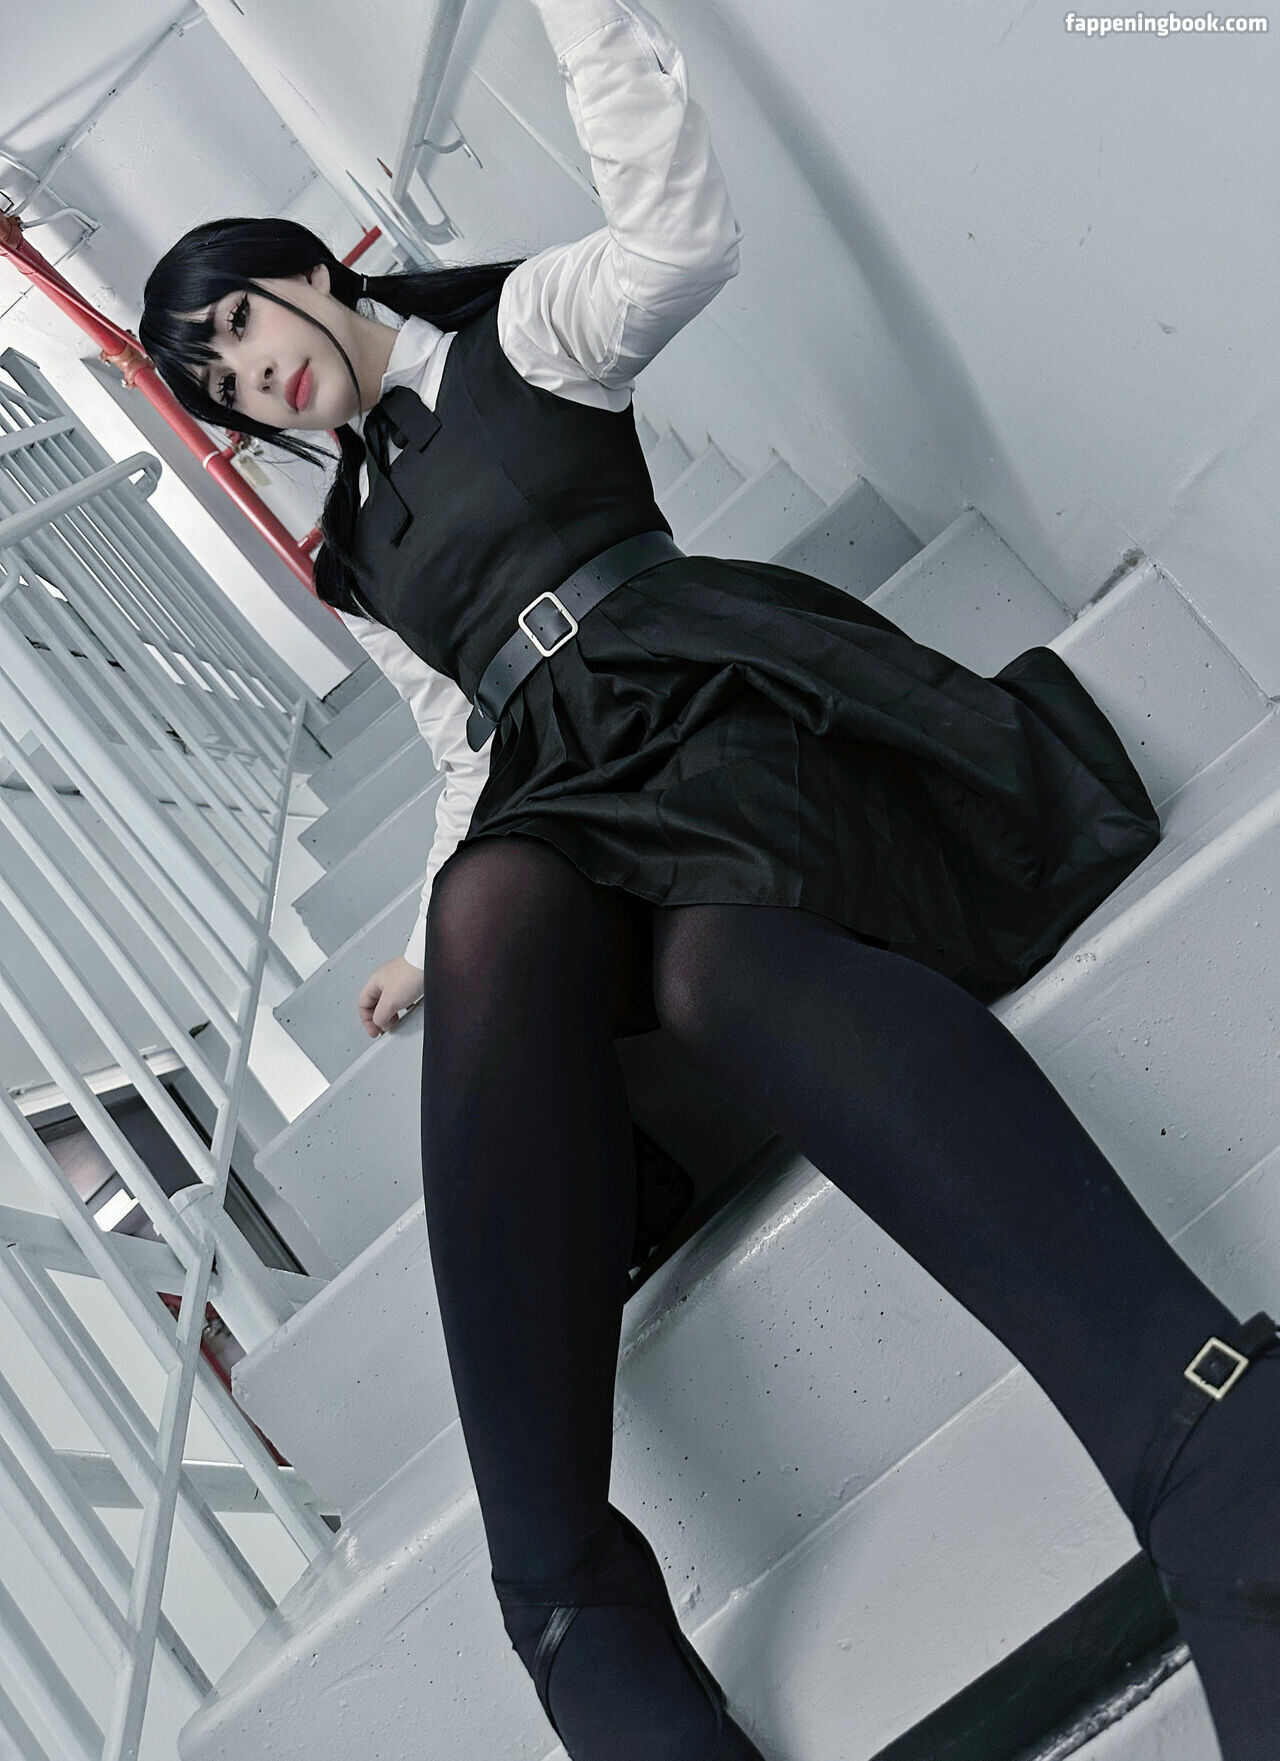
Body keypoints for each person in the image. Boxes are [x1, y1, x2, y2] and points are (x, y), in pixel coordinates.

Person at [138, 1, 1280, 1755]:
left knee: (714, 975)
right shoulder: (349, 552)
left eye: (236, 326)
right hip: (558, 800)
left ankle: (1197, 1427)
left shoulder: (521, 332)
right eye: (214, 384)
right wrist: (423, 958)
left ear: (298, 268)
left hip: (721, 703)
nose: (247, 374)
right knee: (493, 906)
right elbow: (460, 751)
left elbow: (680, 233)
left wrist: (580, 13)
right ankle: (565, 1603)